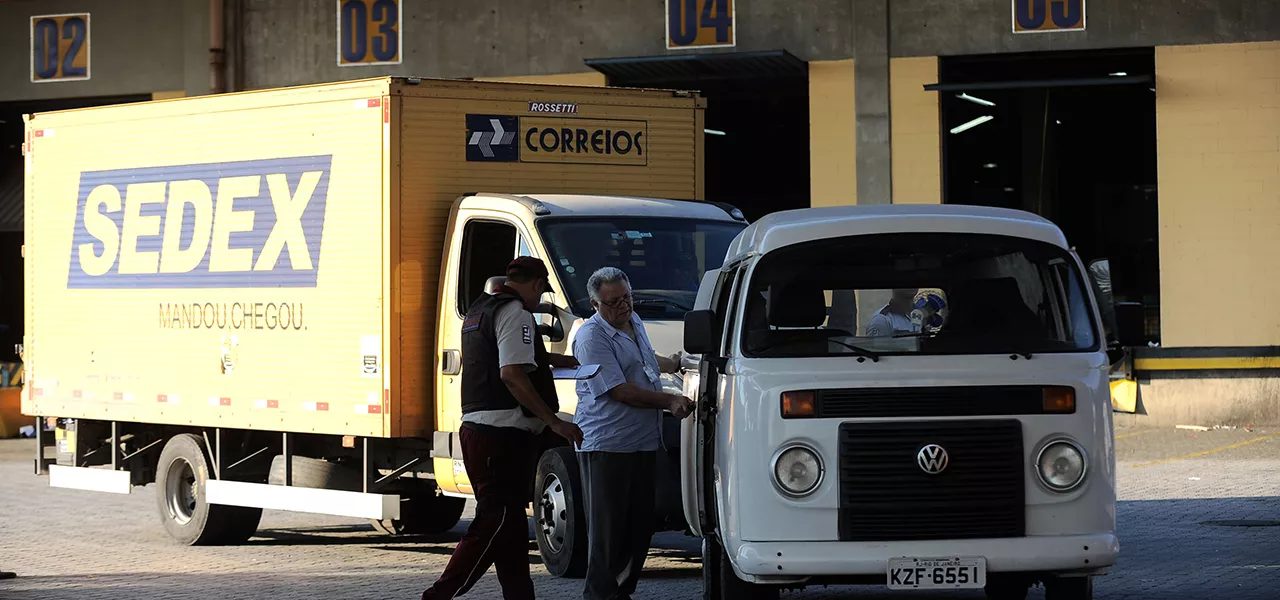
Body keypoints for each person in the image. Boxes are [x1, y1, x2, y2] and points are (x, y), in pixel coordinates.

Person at [420, 256, 583, 600]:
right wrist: (554, 421)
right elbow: (511, 373)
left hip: (481, 432)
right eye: (542, 292)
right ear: (537, 284)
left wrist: (562, 361)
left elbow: (505, 353)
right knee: (493, 523)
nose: (540, 300)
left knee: (508, 531)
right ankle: (438, 595)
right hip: (502, 438)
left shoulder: (481, 310)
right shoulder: (516, 312)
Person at [571, 267, 694, 600]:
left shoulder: (633, 320)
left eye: (626, 297)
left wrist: (672, 363)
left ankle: (621, 594)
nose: (623, 306)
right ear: (595, 304)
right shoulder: (591, 336)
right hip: (608, 445)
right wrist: (669, 401)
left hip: (642, 442)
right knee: (609, 535)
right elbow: (620, 390)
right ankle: (599, 595)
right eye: (613, 302)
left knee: (639, 530)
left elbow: (643, 361)